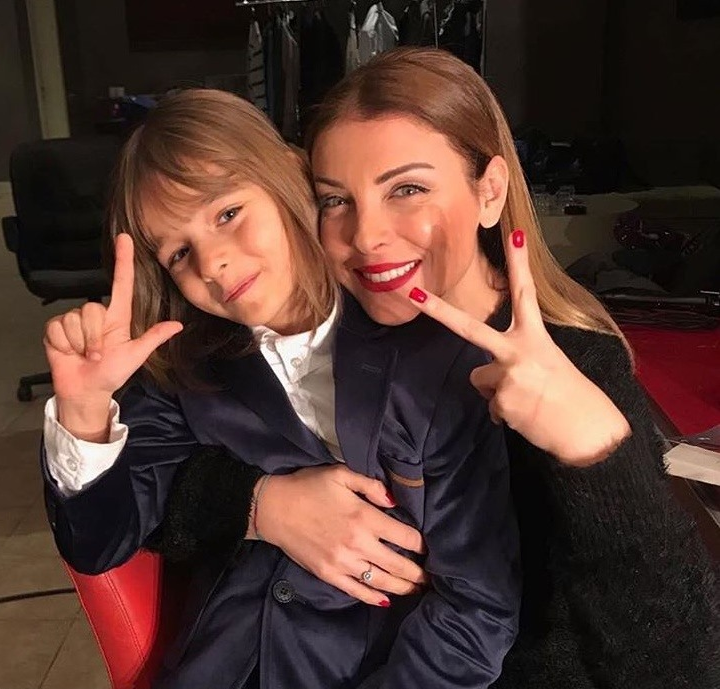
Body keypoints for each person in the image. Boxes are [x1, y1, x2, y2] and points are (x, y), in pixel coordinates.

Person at [149, 48, 720, 688]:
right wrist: (262, 504)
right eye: (336, 200)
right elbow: (157, 474)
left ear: (489, 191)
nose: (366, 236)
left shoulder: (577, 363)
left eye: (408, 189)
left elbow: (680, 670)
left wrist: (597, 451)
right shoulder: (331, 335)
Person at [41, 87, 520, 689]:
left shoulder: (428, 352)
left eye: (227, 214)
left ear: (288, 178)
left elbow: (478, 610)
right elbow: (99, 542)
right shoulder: (187, 368)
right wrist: (85, 412)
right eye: (180, 253)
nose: (212, 263)